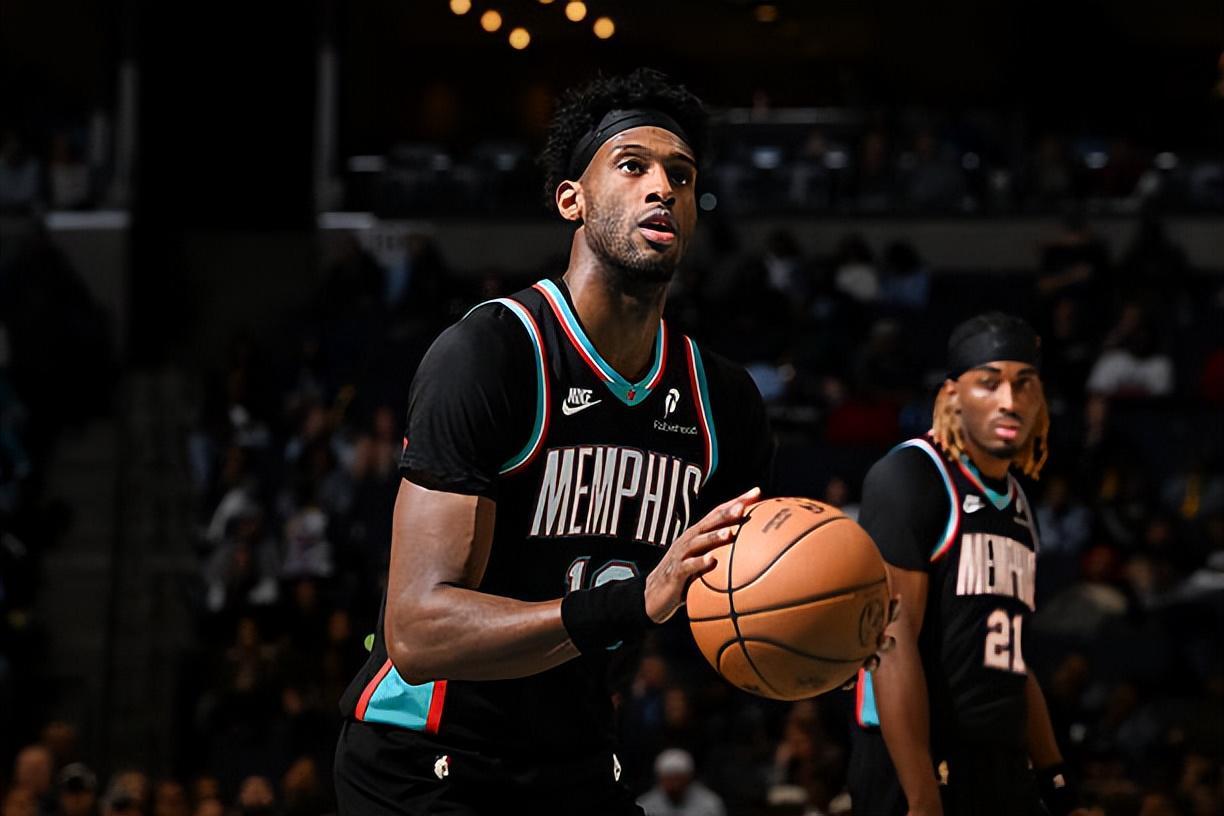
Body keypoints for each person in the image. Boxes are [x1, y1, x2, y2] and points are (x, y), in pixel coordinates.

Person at [333, 68, 777, 814]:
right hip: (427, 760)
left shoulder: (722, 402)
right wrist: (632, 603)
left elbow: (751, 591)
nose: (662, 188)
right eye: (632, 166)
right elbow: (417, 631)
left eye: (681, 175)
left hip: (576, 753)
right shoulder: (493, 353)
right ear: (572, 199)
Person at [847, 313, 1081, 816]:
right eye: (989, 382)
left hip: (998, 762)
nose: (1009, 400)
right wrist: (921, 797)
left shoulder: (1019, 503)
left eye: (1024, 383)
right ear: (952, 394)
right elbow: (890, 643)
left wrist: (1057, 780)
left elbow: (1013, 662)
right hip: (917, 762)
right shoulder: (911, 475)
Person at [637, 749, 726, 816]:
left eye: (678, 778)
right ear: (660, 779)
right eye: (669, 779)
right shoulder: (645, 805)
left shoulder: (710, 804)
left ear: (689, 778)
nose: (674, 784)